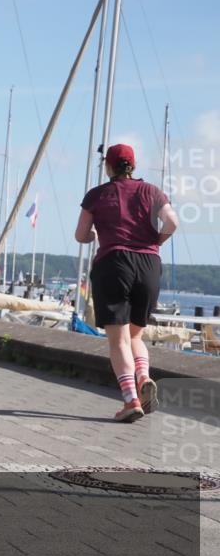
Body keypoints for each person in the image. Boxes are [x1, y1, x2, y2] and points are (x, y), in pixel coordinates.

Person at [75, 143, 179, 423]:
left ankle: (130, 399)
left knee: (117, 339)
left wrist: (93, 236)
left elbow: (81, 234)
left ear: (109, 166)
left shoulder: (96, 195)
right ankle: (144, 375)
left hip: (113, 263)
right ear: (133, 166)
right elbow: (172, 222)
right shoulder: (152, 192)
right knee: (135, 335)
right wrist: (155, 242)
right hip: (148, 265)